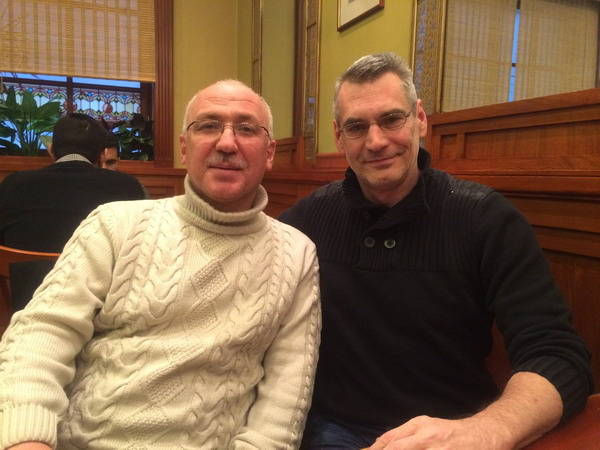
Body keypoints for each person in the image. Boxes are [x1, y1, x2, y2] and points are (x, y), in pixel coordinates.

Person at [279, 53, 593, 449]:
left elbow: (558, 356)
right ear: (339, 137)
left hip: (454, 429)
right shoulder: (306, 221)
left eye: (392, 119)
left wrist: (485, 429)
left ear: (420, 119)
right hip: (331, 430)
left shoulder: (485, 218)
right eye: (357, 127)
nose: (376, 141)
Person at [0, 80, 321, 449]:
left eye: (247, 129)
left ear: (269, 152)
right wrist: (28, 437)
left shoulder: (296, 254)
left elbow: (283, 401)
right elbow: (41, 335)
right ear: (185, 147)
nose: (226, 143)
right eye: (208, 125)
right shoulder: (114, 224)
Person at [0, 113, 147, 253]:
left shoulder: (12, 185)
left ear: (51, 150)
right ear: (103, 155)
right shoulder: (127, 186)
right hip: (99, 272)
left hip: (27, 272)